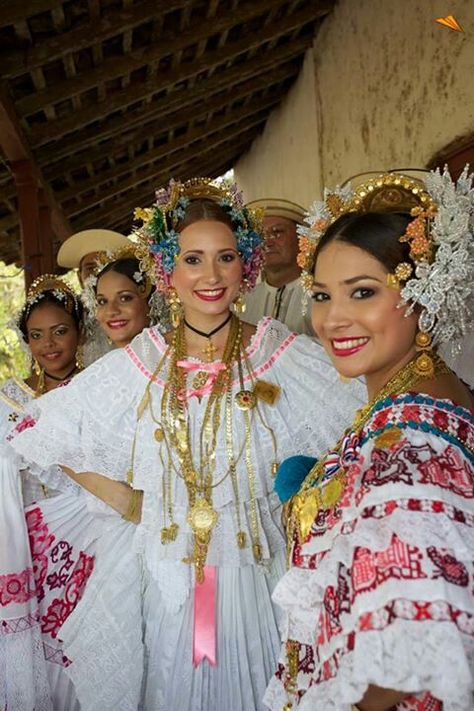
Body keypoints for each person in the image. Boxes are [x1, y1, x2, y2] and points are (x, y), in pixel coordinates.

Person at [7, 178, 365, 711]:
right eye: (193, 259)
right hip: (178, 575)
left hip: (260, 572)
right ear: (168, 272)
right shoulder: (141, 362)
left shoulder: (279, 351)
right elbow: (42, 432)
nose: (211, 275)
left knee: (262, 685)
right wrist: (129, 501)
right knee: (196, 677)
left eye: (224, 257)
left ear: (245, 264)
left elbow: (362, 413)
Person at [264, 168, 474, 710]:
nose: (333, 319)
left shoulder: (408, 447)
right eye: (321, 294)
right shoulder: (430, 399)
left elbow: (401, 659)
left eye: (363, 292)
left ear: (422, 295)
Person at [0, 276, 84, 711]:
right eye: (36, 335)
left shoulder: (100, 390)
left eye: (59, 331)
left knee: (82, 652)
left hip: (91, 544)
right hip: (28, 549)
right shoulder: (11, 399)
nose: (49, 345)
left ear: (80, 331)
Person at [57, 228, 131, 365]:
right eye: (91, 268)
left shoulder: (136, 309)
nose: (98, 274)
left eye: (105, 265)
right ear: (79, 277)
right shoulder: (71, 315)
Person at [244, 198, 314, 335]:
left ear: (301, 239)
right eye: (259, 235)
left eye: (277, 233)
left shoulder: (319, 294)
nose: (267, 243)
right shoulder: (244, 301)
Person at [85, 247, 170, 348]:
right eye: (102, 301)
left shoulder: (178, 357)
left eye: (125, 298)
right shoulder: (103, 363)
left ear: (152, 301)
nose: (111, 311)